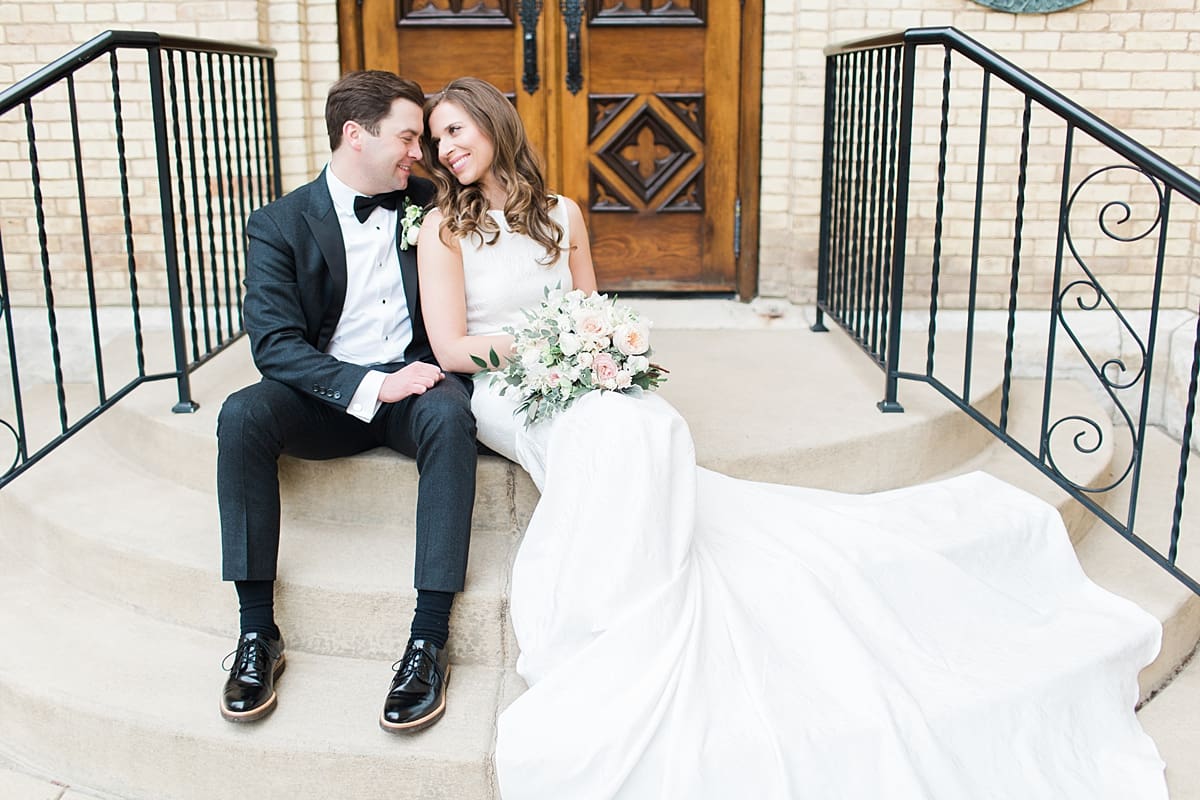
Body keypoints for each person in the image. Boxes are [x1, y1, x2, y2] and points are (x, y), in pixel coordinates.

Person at [417, 77, 1168, 798]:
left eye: (455, 129)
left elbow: (590, 307)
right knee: (606, 437)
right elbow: (452, 349)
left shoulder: (563, 213)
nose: (445, 148)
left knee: (653, 424)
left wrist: (590, 342)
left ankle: (651, 566)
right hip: (511, 392)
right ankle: (622, 612)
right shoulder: (442, 228)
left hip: (577, 370)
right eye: (434, 139)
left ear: (492, 121)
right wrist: (547, 344)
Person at [216, 70, 477, 734]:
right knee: (242, 414)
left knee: (451, 414)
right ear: (355, 136)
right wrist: (368, 386)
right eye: (408, 137)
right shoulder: (278, 224)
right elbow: (273, 345)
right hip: (328, 397)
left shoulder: (430, 201)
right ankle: (256, 634)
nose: (419, 153)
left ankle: (427, 640)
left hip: (416, 388)